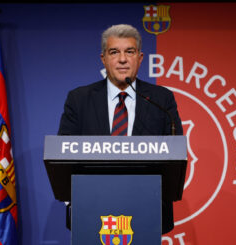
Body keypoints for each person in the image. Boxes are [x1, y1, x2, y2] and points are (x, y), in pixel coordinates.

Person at [58, 24, 183, 234]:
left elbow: (175, 157)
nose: (122, 59)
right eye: (114, 52)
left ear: (140, 58)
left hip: (148, 212)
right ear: (103, 59)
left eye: (130, 52)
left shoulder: (161, 99)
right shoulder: (79, 99)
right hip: (91, 211)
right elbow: (63, 154)